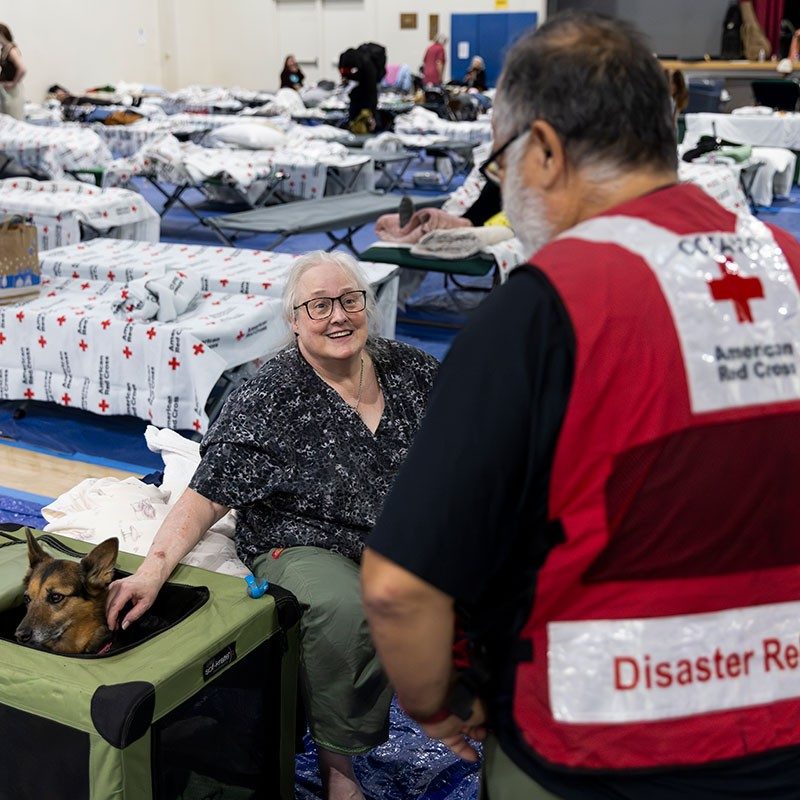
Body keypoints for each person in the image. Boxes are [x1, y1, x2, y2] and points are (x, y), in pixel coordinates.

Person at [362, 10, 800, 800]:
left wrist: (439, 706)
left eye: (504, 161)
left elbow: (400, 586)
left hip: (599, 742)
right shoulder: (790, 267)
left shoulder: (542, 311)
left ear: (547, 151)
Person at [107, 251, 439, 800]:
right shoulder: (269, 397)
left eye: (350, 300)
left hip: (405, 534)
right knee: (343, 609)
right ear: (294, 320)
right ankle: (339, 767)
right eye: (319, 306)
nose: (338, 316)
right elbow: (205, 496)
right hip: (306, 540)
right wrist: (152, 570)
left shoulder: (413, 371)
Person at [338, 46, 378, 134]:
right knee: (355, 117)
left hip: (366, 92)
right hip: (359, 93)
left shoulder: (367, 65)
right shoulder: (347, 59)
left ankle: (365, 129)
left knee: (364, 118)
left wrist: (372, 113)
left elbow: (372, 91)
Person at [0, 24, 26, 120]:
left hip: (13, 91)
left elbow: (22, 69)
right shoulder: (4, 50)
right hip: (5, 89)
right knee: (6, 118)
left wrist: (13, 83)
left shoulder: (12, 50)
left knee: (14, 117)